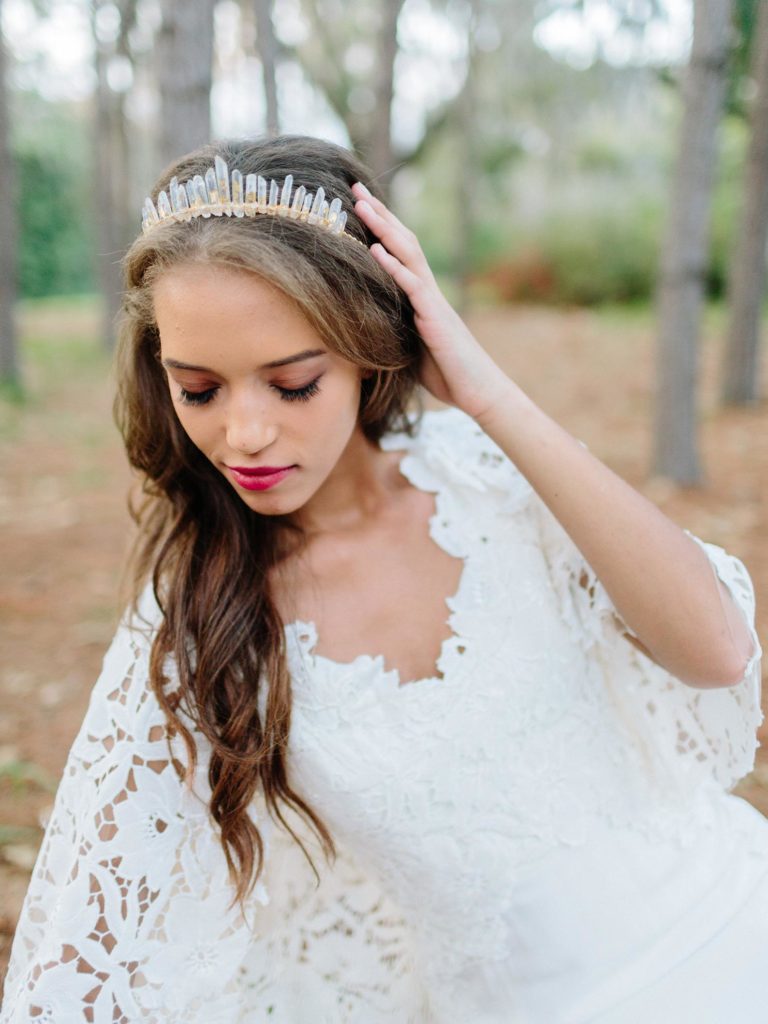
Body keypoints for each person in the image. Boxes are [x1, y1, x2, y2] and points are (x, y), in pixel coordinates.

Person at [1, 134, 766, 1024]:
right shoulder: (197, 620)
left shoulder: (488, 473)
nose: (244, 435)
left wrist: (485, 395)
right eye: (200, 390)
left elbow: (716, 651)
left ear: (368, 349)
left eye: (291, 384)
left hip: (735, 932)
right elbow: (84, 958)